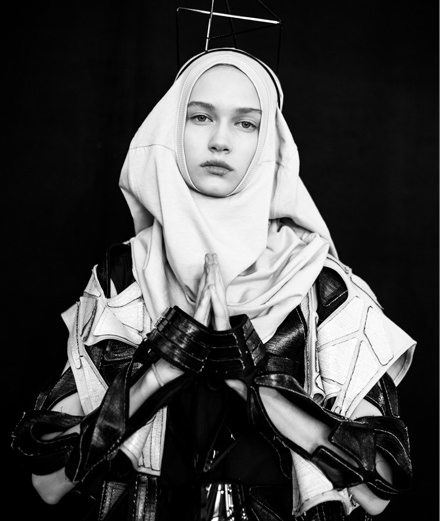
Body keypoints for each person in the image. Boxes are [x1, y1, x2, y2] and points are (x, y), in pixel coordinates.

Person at [11, 48, 416, 521]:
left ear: (270, 142)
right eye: (200, 117)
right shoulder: (124, 279)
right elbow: (48, 484)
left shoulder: (322, 287)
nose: (220, 141)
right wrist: (160, 372)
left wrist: (255, 386)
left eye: (246, 123)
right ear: (170, 130)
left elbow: (378, 491)